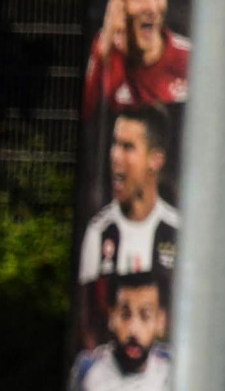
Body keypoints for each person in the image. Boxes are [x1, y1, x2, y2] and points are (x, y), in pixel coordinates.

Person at [77, 106, 180, 286]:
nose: (115, 156)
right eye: (114, 144)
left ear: (155, 161)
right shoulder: (99, 231)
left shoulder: (177, 231)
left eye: (127, 147)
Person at [69, 267, 172, 391]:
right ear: (111, 317)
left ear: (160, 321)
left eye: (145, 316)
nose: (133, 330)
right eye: (125, 315)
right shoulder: (87, 369)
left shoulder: (173, 372)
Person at [83, 0, 191, 114]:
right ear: (120, 4)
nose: (152, 8)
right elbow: (85, 116)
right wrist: (106, 42)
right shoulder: (106, 53)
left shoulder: (188, 58)